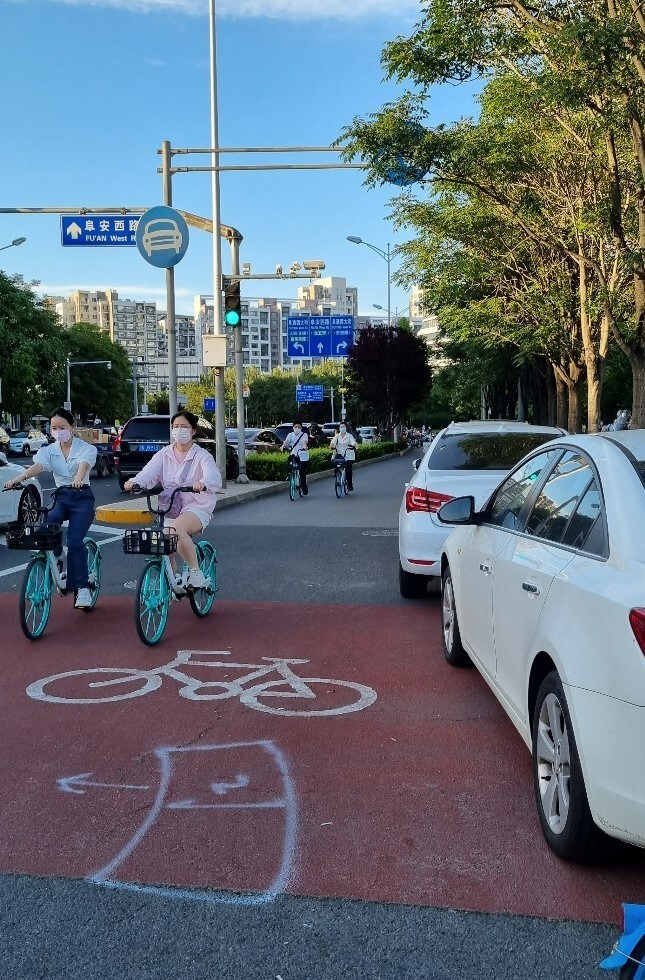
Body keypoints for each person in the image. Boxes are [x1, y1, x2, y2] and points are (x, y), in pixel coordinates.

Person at [4, 407, 97, 609]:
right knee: (47, 525)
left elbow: (84, 465)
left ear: (72, 427)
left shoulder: (86, 448)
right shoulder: (49, 450)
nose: (57, 431)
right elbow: (38, 466)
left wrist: (79, 479)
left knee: (74, 541)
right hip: (62, 496)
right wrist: (18, 478)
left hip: (82, 497)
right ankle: (57, 556)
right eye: (54, 428)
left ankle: (82, 588)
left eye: (62, 427)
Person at [123, 411, 222, 589]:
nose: (179, 430)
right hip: (171, 506)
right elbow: (148, 473)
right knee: (164, 539)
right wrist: (135, 482)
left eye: (184, 427)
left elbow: (214, 477)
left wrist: (203, 483)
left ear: (193, 431)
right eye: (175, 427)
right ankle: (172, 579)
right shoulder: (164, 454)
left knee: (175, 529)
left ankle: (195, 572)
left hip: (197, 505)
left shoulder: (202, 456)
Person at [281, 419, 309, 495]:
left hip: (302, 453)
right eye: (295, 426)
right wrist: (283, 447)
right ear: (293, 427)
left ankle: (303, 486)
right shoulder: (290, 435)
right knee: (289, 461)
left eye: (299, 427)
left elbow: (304, 442)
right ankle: (289, 475)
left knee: (302, 471)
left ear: (301, 428)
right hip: (294, 452)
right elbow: (286, 441)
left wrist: (304, 447)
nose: (297, 428)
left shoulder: (304, 435)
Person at [329, 421, 357, 491]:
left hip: (349, 455)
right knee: (335, 461)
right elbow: (332, 442)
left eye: (343, 427)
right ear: (339, 428)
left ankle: (350, 485)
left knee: (348, 469)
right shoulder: (337, 436)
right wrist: (332, 446)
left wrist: (353, 445)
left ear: (346, 428)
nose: (342, 428)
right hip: (340, 455)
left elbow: (354, 443)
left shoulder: (350, 436)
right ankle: (336, 471)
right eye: (341, 427)